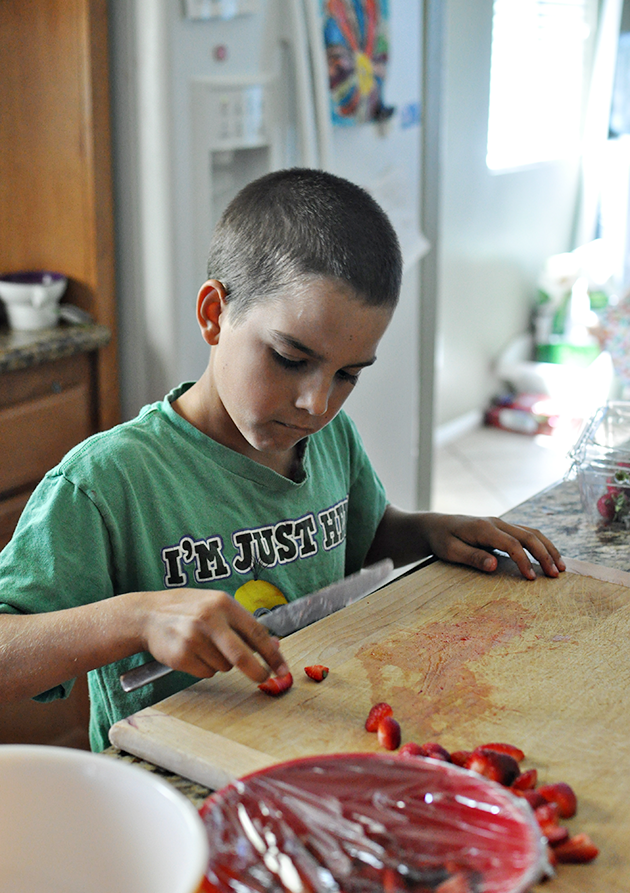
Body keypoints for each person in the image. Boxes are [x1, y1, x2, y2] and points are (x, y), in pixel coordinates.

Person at [0, 169, 565, 752]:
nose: (316, 403)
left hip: (309, 744)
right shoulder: (106, 483)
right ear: (214, 314)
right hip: (175, 786)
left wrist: (429, 531)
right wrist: (135, 619)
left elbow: (361, 542)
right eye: (291, 357)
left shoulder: (331, 439)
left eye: (347, 375)